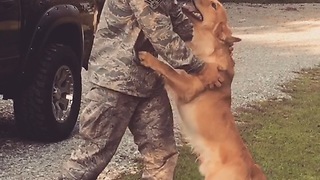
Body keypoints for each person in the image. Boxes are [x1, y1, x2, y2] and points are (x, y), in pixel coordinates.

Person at [59, 0, 225, 179]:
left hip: (147, 83)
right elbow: (160, 33)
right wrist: (201, 69)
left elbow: (182, 26)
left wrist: (212, 44)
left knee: (162, 156)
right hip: (115, 82)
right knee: (90, 159)